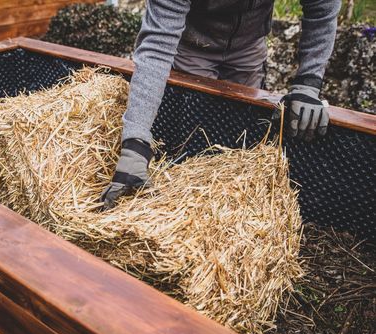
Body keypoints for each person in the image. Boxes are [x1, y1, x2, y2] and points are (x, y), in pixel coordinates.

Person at [101, 0, 341, 208]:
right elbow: (156, 49)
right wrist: (135, 143)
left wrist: (308, 84)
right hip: (192, 46)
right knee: (188, 139)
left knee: (239, 140)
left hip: (248, 47)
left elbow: (322, 10)